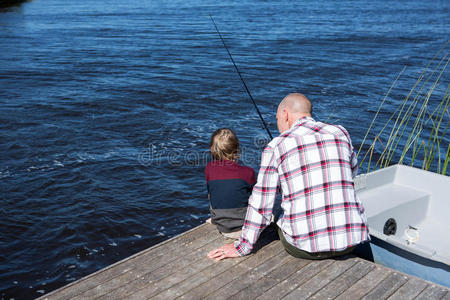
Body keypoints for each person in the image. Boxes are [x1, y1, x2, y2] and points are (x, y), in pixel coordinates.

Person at [208, 93, 369, 260]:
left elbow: (261, 204)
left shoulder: (277, 146)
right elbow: (351, 174)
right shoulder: (340, 133)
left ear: (285, 114)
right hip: (351, 241)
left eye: (277, 118)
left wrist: (242, 247)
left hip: (305, 249)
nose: (278, 124)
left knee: (277, 209)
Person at [205, 128, 256, 239]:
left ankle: (215, 218)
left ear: (212, 149)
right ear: (237, 149)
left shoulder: (209, 168)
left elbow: (213, 194)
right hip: (246, 229)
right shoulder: (248, 172)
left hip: (223, 228)